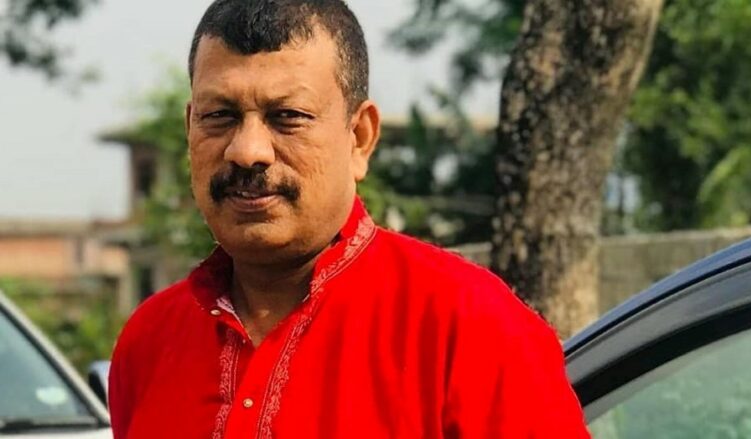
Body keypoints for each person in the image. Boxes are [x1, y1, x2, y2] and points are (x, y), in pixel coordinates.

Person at [107, 0, 591, 437]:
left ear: (359, 137)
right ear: (190, 127)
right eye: (220, 116)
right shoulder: (150, 342)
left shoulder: (470, 327)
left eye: (287, 116)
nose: (248, 151)